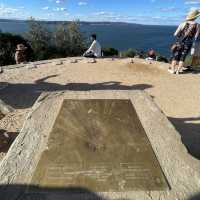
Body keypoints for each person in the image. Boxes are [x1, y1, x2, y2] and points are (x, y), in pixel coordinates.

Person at [169, 9, 200, 74]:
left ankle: (172, 70)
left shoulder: (182, 24)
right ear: (196, 17)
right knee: (183, 57)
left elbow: (175, 34)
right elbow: (196, 37)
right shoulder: (197, 25)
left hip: (179, 43)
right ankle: (178, 71)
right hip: (189, 43)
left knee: (176, 56)